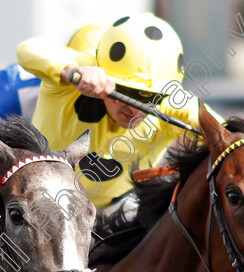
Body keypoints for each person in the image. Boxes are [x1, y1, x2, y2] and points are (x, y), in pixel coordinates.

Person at [16, 13, 222, 239]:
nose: (133, 109)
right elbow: (27, 49)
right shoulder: (75, 73)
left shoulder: (174, 102)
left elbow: (230, 134)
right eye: (122, 91)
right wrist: (71, 71)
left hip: (118, 209)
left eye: (148, 97)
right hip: (41, 203)